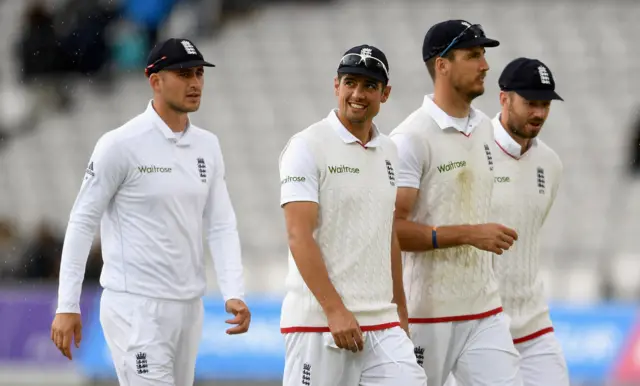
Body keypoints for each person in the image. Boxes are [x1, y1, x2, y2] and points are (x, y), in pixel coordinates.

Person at [51, 38, 251, 385]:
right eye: (184, 73)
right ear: (155, 80)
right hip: (135, 307)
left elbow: (220, 223)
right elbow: (82, 221)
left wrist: (234, 290)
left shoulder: (208, 145)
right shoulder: (120, 144)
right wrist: (67, 304)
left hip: (189, 307)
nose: (195, 83)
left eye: (200, 73)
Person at [278, 44, 427, 386]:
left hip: (381, 321)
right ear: (337, 85)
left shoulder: (390, 150)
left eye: (369, 86)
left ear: (385, 93)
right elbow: (299, 235)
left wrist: (399, 309)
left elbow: (385, 232)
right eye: (351, 83)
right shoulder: (307, 145)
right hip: (318, 323)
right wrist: (334, 310)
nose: (358, 94)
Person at [389, 20, 521, 386]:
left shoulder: (484, 129)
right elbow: (392, 230)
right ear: (442, 65)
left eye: (484, 55)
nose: (485, 65)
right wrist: (468, 234)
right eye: (473, 55)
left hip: (485, 311)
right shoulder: (411, 138)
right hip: (427, 315)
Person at [490, 58, 568, 386]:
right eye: (530, 103)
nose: (538, 113)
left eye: (545, 104)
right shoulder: (472, 149)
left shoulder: (550, 163)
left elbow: (530, 231)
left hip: (534, 323)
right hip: (480, 327)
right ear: (504, 98)